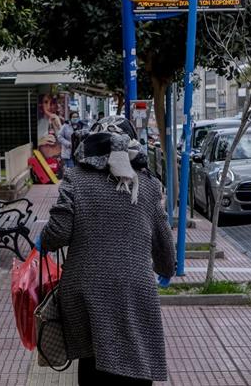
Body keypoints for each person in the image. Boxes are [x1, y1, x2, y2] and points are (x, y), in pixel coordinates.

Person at [37, 116, 176, 385]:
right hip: (134, 288)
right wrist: (166, 269)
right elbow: (163, 241)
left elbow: (58, 233)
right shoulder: (148, 184)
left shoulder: (76, 178)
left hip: (84, 290)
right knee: (137, 356)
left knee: (92, 358)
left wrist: (43, 240)